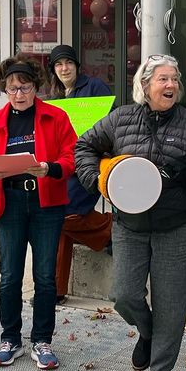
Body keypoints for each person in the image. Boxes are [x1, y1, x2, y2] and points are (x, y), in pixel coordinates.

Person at [75, 54, 186, 371]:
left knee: (171, 305)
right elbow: (83, 146)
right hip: (130, 225)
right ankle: (146, 331)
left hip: (178, 226)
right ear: (144, 86)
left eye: (174, 78)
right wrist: (96, 180)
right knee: (124, 295)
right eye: (162, 79)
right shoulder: (120, 119)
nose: (171, 85)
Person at [0, 56, 77, 370]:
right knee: (9, 276)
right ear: (4, 90)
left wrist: (50, 168)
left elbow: (71, 155)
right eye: (12, 89)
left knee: (45, 277)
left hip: (46, 203)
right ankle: (11, 339)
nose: (19, 94)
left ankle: (42, 340)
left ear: (36, 87)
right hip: (10, 203)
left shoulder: (56, 117)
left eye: (25, 87)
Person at [45, 43, 114, 303]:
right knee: (57, 220)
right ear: (53, 69)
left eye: (68, 63)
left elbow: (109, 125)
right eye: (59, 64)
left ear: (77, 65)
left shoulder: (94, 87)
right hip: (60, 164)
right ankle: (55, 290)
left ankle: (108, 230)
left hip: (87, 164)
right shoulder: (52, 95)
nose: (64, 68)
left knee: (63, 214)